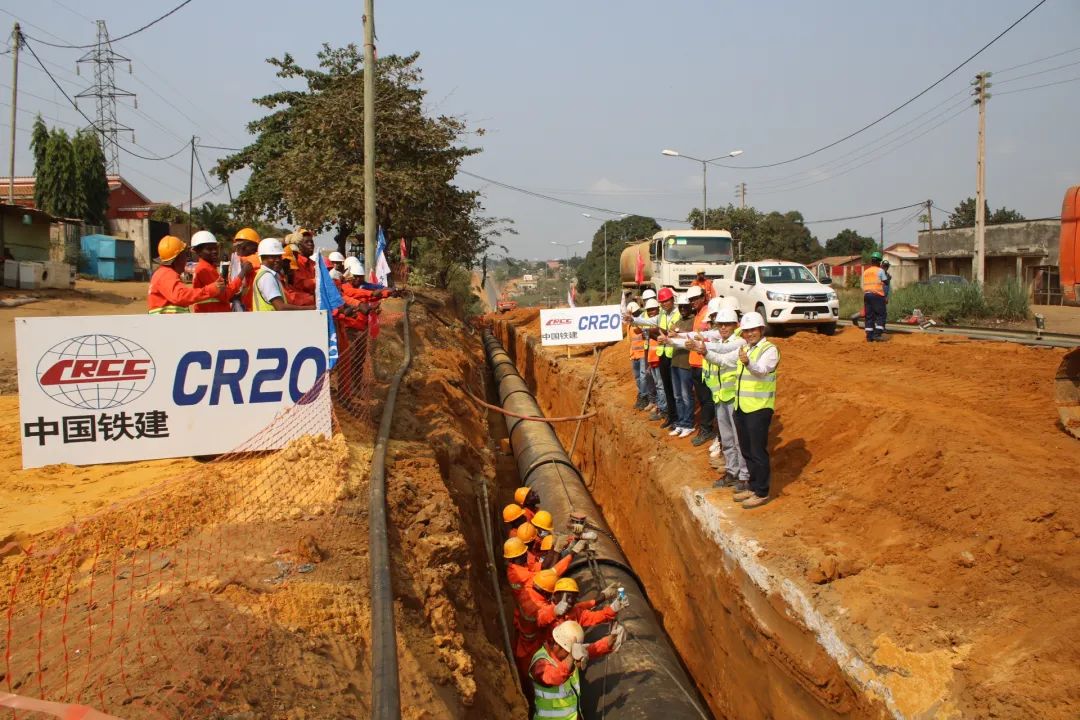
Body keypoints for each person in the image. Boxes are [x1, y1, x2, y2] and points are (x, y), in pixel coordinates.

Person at [690, 308, 748, 488]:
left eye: (727, 324)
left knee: (739, 440)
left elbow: (722, 356)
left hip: (735, 398)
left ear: (735, 325)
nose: (723, 328)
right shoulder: (719, 340)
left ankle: (744, 476)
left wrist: (704, 350)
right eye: (720, 325)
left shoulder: (739, 342)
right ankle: (732, 472)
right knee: (727, 439)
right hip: (720, 397)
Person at [730, 311, 779, 509]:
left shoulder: (770, 350)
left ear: (761, 330)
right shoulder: (746, 348)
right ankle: (752, 485)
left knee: (758, 451)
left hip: (759, 408)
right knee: (747, 450)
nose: (750, 334)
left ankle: (762, 491)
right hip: (742, 407)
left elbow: (761, 371)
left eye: (753, 330)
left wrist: (748, 363)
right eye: (746, 331)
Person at [529, 620, 623, 720]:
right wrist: (571, 657)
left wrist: (609, 642)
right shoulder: (540, 663)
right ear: (558, 646)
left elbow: (590, 650)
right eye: (569, 651)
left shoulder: (565, 656)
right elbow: (555, 677)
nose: (573, 657)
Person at [147, 236, 224, 314]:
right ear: (178, 258)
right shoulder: (166, 274)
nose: (186, 259)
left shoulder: (163, 273)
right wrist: (211, 289)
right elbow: (180, 296)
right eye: (185, 255)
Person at [685, 285, 717, 447]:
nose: (693, 302)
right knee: (703, 399)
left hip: (704, 363)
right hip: (695, 362)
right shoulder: (698, 314)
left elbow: (710, 337)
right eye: (691, 300)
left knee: (707, 399)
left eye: (695, 299)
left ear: (703, 297)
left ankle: (707, 429)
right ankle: (706, 428)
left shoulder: (707, 313)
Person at [661, 294, 696, 438]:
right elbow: (672, 336)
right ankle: (680, 423)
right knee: (678, 396)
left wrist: (677, 334)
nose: (682, 309)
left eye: (685, 307)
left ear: (690, 307)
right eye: (680, 307)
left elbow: (691, 338)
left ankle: (688, 424)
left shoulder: (693, 321)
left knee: (686, 395)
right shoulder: (678, 321)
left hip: (686, 363)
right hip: (675, 361)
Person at [535, 577, 625, 630]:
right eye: (567, 596)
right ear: (555, 595)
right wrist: (554, 612)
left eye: (573, 598)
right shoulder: (545, 609)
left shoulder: (576, 612)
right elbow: (540, 620)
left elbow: (594, 617)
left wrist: (613, 608)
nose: (570, 600)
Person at [190, 230, 245, 313]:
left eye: (215, 248)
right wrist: (242, 273)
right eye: (209, 249)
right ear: (198, 251)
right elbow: (224, 295)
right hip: (212, 315)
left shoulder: (208, 267)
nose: (215, 251)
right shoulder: (205, 269)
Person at [252, 239, 309, 312]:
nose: (278, 260)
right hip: (270, 319)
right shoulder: (267, 277)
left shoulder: (270, 275)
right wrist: (312, 308)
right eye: (272, 257)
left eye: (279, 256)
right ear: (263, 257)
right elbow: (281, 307)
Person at [654, 287, 680, 430]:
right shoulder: (661, 315)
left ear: (672, 300)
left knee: (676, 390)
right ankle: (671, 416)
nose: (664, 304)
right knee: (667, 388)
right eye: (662, 302)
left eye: (666, 301)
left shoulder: (678, 314)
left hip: (674, 355)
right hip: (663, 355)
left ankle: (678, 419)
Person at [625, 302, 649, 410]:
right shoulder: (629, 324)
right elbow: (631, 341)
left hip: (642, 353)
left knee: (643, 376)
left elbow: (644, 334)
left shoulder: (641, 321)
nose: (635, 314)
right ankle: (641, 394)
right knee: (638, 377)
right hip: (634, 355)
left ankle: (644, 396)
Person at [233, 227, 262, 311]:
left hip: (256, 308)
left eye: (242, 245)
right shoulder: (242, 261)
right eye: (237, 245)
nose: (239, 248)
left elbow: (248, 261)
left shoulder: (256, 258)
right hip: (248, 306)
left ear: (254, 246)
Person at [862, 252, 888, 342]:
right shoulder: (880, 270)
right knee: (881, 314)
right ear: (879, 262)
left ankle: (869, 336)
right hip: (877, 295)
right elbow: (886, 282)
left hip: (867, 295)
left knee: (869, 316)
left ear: (871, 261)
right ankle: (877, 334)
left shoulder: (866, 271)